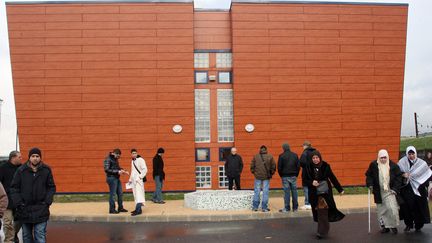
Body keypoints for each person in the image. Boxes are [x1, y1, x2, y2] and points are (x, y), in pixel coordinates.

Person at [10, 147, 56, 243]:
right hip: (24, 209)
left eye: (37, 156)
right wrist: (19, 203)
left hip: (41, 209)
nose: (35, 158)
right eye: (33, 156)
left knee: (40, 235)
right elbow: (14, 188)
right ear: (29, 157)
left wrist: (47, 201)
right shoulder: (21, 171)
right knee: (27, 237)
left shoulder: (46, 170)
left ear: (40, 157)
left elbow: (51, 187)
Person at [303, 150, 344, 239]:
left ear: (320, 158)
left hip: (325, 193)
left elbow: (332, 178)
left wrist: (340, 189)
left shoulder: (325, 166)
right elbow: (304, 181)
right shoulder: (307, 167)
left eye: (317, 158)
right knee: (319, 213)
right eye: (313, 158)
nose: (315, 160)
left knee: (323, 211)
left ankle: (321, 232)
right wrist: (311, 182)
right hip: (314, 194)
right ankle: (324, 227)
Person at [365, 149, 403, 234]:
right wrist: (370, 184)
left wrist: (395, 189)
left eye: (385, 157)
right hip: (378, 192)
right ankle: (385, 227)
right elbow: (369, 175)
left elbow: (398, 177)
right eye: (381, 158)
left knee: (391, 209)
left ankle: (392, 226)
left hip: (390, 191)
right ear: (378, 157)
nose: (383, 159)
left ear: (387, 157)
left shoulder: (393, 166)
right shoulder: (374, 165)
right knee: (381, 211)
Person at [398, 146, 432, 232]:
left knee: (419, 207)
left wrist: (423, 182)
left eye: (412, 153)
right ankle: (408, 224)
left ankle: (418, 224)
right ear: (407, 154)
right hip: (407, 189)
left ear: (415, 153)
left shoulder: (422, 163)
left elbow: (427, 175)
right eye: (409, 154)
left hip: (419, 189)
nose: (411, 155)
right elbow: (397, 173)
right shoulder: (402, 162)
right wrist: (403, 174)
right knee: (407, 207)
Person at [0, 151, 23, 243]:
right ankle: (9, 240)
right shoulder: (2, 168)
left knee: (20, 221)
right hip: (7, 201)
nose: (21, 159)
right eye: (19, 157)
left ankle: (13, 235)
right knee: (7, 223)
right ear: (13, 158)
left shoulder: (22, 169)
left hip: (19, 201)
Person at [250, 145, 276, 212]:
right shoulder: (270, 156)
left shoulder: (256, 156)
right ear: (266, 150)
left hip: (257, 176)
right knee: (265, 191)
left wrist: (254, 173)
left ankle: (255, 207)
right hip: (266, 177)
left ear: (260, 149)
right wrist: (271, 173)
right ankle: (264, 207)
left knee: (257, 191)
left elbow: (252, 166)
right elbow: (273, 166)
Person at [104, 148, 129, 214]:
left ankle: (120, 208)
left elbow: (117, 168)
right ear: (114, 153)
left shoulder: (115, 159)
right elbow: (106, 169)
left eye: (119, 156)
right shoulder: (108, 159)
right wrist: (117, 171)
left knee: (120, 193)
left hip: (117, 178)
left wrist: (123, 170)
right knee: (113, 195)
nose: (118, 157)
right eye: (118, 156)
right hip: (111, 178)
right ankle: (112, 210)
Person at [277, 142, 300, 212]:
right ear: (289, 147)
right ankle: (295, 208)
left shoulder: (281, 156)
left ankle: (287, 208)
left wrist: (281, 175)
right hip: (293, 176)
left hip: (285, 176)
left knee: (286, 192)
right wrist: (296, 174)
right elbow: (298, 166)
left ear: (283, 148)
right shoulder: (295, 155)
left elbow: (279, 167)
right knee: (294, 192)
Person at [128, 149, 147, 216]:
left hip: (138, 181)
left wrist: (139, 177)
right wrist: (130, 179)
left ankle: (138, 210)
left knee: (139, 195)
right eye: (133, 153)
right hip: (133, 181)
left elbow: (145, 169)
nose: (134, 154)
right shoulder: (132, 161)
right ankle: (138, 209)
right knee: (136, 195)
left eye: (135, 153)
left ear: (137, 153)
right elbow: (132, 171)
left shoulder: (141, 160)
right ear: (131, 154)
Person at [299, 141, 315, 210]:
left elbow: (301, 162)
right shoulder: (315, 152)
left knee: (306, 188)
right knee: (313, 188)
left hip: (306, 173)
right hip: (314, 173)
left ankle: (307, 203)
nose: (303, 147)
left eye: (303, 146)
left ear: (305, 146)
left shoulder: (305, 153)